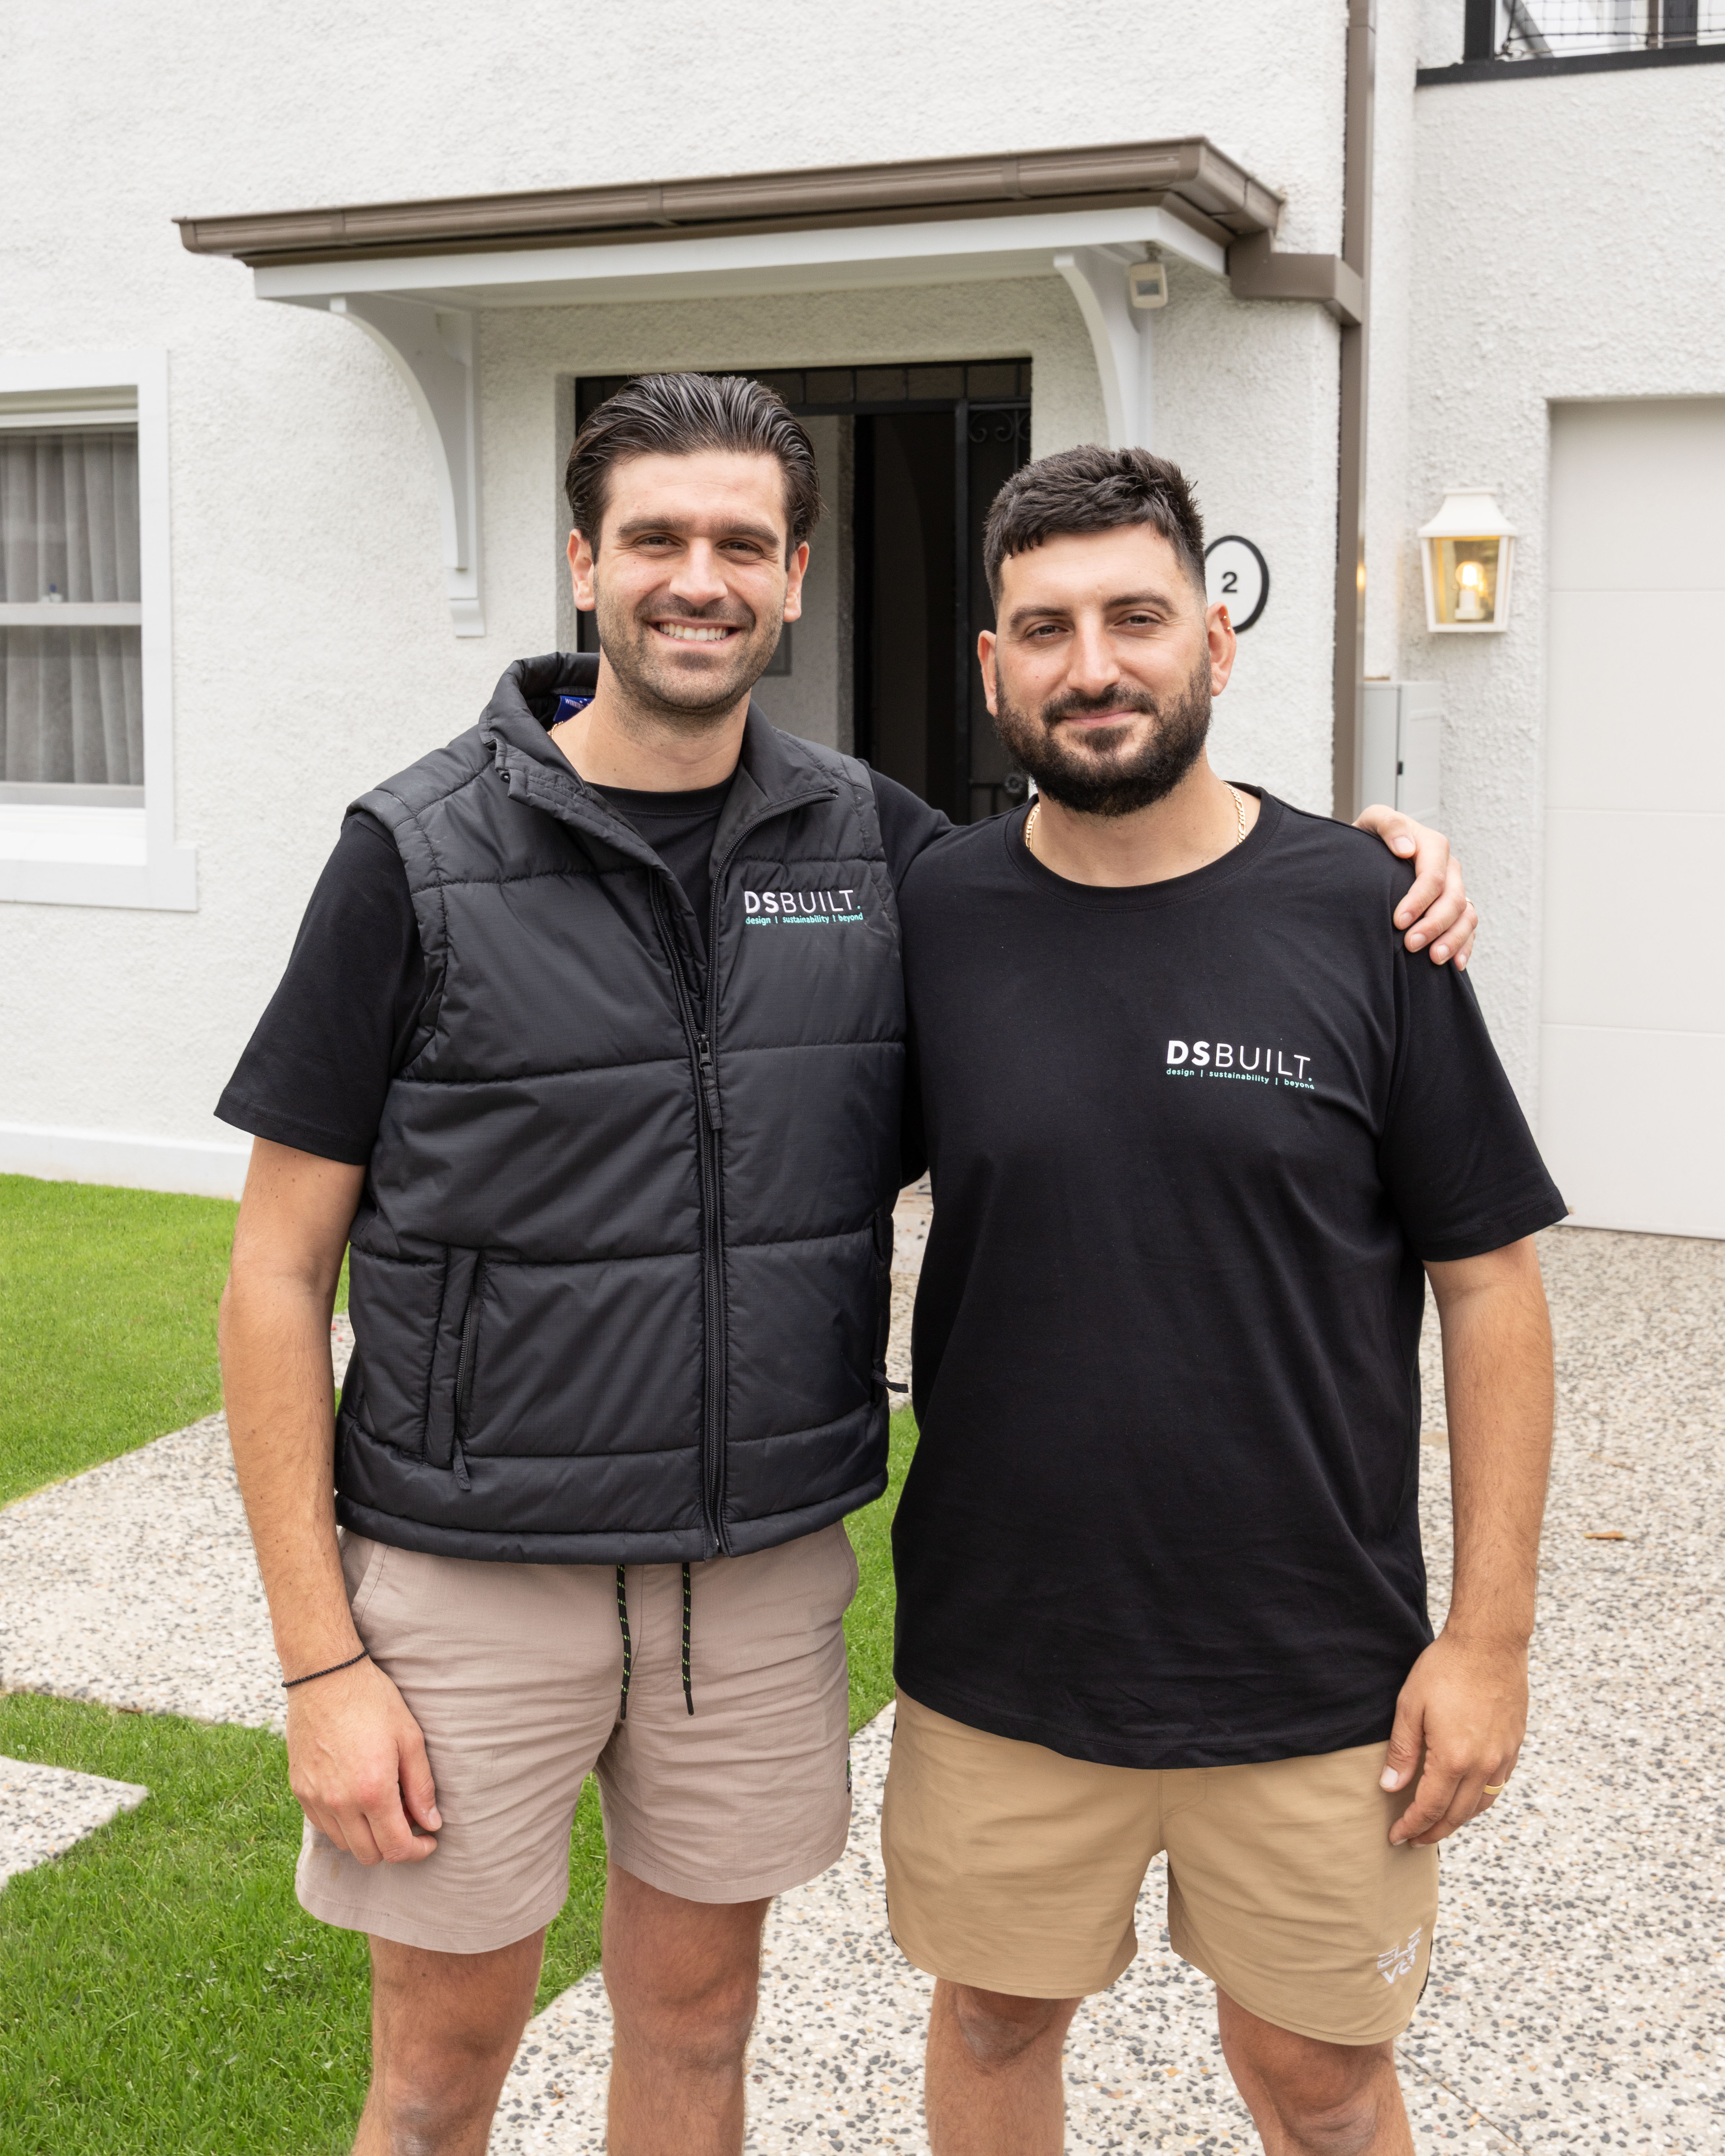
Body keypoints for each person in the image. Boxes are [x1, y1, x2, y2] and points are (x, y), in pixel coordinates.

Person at [216, 376, 1474, 2156]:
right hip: (469, 1574)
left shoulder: (878, 856)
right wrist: (321, 1660)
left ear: (797, 577)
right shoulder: (412, 858)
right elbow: (275, 1271)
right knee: (434, 2080)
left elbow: (1123, 867)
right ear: (584, 562)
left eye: (743, 541)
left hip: (753, 1570)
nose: (697, 577)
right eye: (655, 536)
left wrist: (1359, 866)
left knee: (699, 2025)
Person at [881, 445, 1564, 2156]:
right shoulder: (934, 911)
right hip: (1002, 1648)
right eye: (1045, 627)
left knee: (1319, 2075)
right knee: (992, 2017)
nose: (1094, 663)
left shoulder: (1365, 910)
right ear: (993, 665)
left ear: (1219, 639)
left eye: (1137, 615)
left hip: (1315, 1661)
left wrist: (1486, 1641)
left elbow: (1491, 1287)